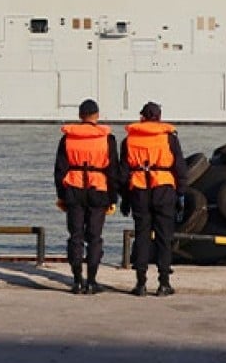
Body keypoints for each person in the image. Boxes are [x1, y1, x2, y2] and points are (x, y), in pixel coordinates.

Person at [53, 98, 121, 294]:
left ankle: (76, 281)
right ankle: (92, 281)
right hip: (98, 190)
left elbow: (59, 170)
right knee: (95, 237)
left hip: (73, 190)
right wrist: (113, 198)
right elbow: (113, 171)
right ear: (97, 116)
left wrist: (62, 195)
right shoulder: (107, 139)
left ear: (80, 116)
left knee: (75, 236)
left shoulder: (67, 138)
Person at [121, 101, 187, 297]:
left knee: (142, 236)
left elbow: (123, 172)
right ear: (159, 117)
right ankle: (163, 283)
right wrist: (181, 193)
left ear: (142, 116)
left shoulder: (129, 140)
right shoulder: (169, 139)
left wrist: (124, 197)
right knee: (164, 238)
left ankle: (140, 284)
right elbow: (180, 167)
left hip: (139, 190)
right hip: (164, 189)